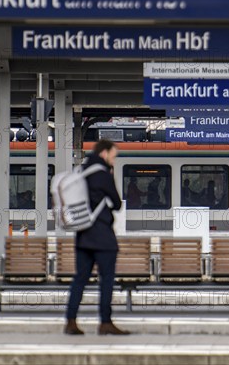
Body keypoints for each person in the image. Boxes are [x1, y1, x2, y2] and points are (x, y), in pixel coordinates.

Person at [65, 139, 129, 336]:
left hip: (83, 234)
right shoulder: (103, 174)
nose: (114, 160)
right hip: (102, 237)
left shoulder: (80, 172)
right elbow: (117, 204)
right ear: (104, 153)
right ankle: (105, 322)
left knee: (80, 279)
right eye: (113, 156)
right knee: (106, 279)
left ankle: (71, 321)